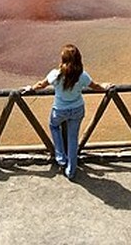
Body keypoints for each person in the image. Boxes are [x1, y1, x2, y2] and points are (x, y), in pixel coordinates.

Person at [24, 44, 111, 180]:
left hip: (59, 110)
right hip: (77, 109)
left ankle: (60, 157)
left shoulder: (56, 75)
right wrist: (105, 86)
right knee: (72, 138)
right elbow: (96, 86)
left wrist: (31, 88)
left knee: (53, 126)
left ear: (63, 59)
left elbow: (41, 85)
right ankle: (71, 170)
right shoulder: (82, 76)